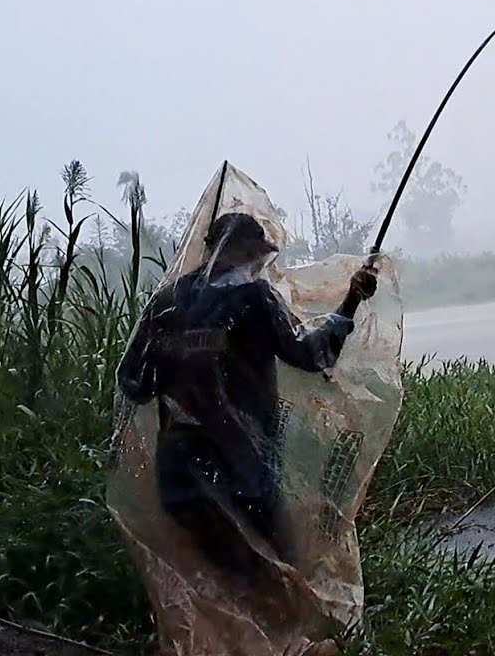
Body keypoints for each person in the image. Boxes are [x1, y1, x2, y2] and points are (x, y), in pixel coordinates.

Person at [116, 212, 378, 580]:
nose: (259, 266)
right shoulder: (253, 297)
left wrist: (181, 361)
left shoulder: (166, 303)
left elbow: (134, 382)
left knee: (208, 579)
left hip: (178, 474)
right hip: (243, 470)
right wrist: (351, 301)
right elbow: (310, 353)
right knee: (275, 573)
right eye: (257, 256)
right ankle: (286, 636)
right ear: (243, 251)